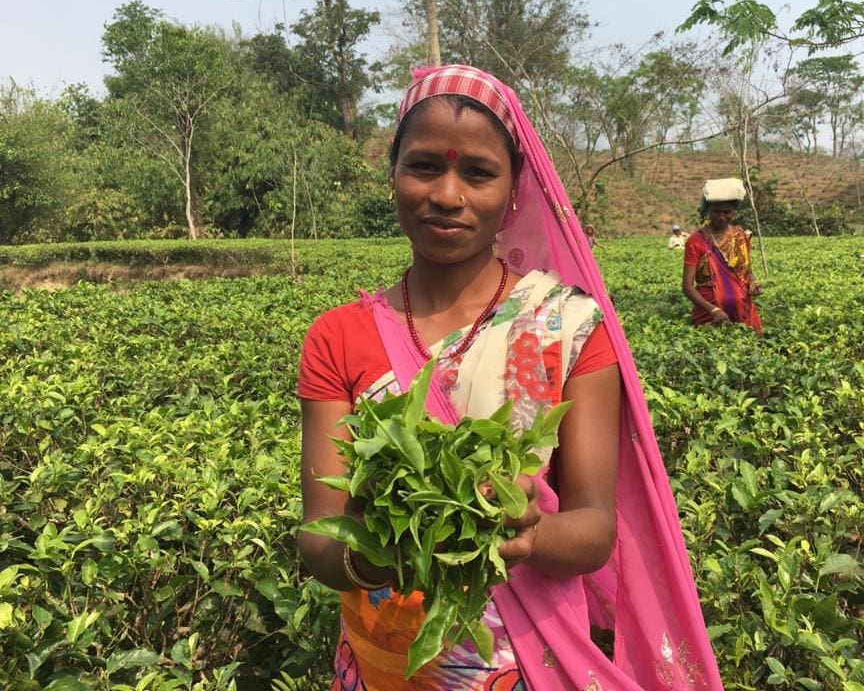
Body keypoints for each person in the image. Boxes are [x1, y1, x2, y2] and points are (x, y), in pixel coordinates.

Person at [298, 65, 723, 691]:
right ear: (392, 176)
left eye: (477, 172)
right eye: (423, 166)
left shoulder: (568, 328)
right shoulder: (339, 337)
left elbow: (594, 529)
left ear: (514, 187)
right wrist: (377, 543)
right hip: (383, 664)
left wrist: (530, 533)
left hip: (525, 666)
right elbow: (318, 538)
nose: (447, 195)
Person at [682, 178, 763, 334]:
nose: (721, 216)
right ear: (708, 211)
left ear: (734, 212)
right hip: (709, 313)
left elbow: (747, 272)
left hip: (743, 310)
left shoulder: (740, 236)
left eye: (727, 212)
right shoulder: (696, 241)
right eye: (716, 211)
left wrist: (753, 283)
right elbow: (687, 287)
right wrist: (713, 310)